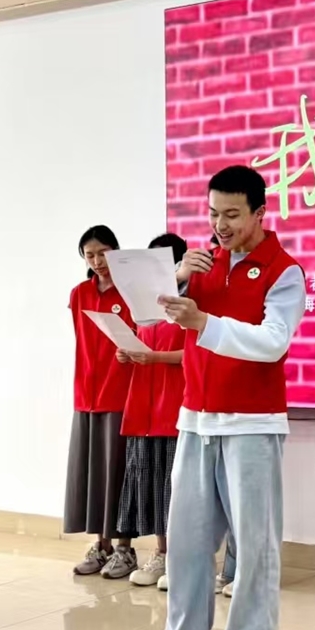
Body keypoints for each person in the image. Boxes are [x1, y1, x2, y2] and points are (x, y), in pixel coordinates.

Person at [137, 166, 306, 630]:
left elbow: (273, 342)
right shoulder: (200, 265)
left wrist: (202, 324)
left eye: (232, 214)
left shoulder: (283, 271)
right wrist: (175, 278)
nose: (221, 225)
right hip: (196, 419)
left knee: (254, 549)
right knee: (187, 544)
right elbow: (148, 323)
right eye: (213, 214)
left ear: (260, 212)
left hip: (252, 424)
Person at [115, 233, 188, 589]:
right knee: (153, 486)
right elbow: (141, 346)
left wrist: (156, 357)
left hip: (175, 407)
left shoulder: (190, 304)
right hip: (144, 407)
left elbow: (198, 354)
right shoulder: (144, 307)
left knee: (177, 488)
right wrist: (126, 352)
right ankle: (161, 553)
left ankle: (181, 559)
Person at [65, 225, 137, 580]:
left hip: (120, 391)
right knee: (92, 473)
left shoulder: (133, 292)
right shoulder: (79, 293)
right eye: (90, 255)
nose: (97, 261)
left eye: (103, 253)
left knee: (118, 473)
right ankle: (101, 545)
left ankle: (124, 548)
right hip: (86, 393)